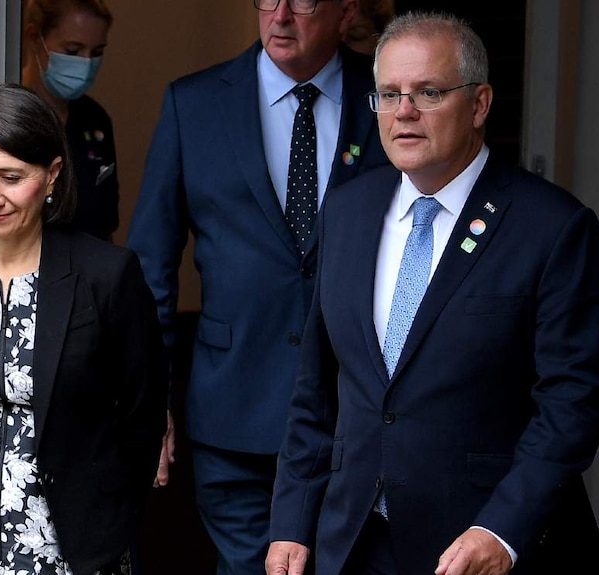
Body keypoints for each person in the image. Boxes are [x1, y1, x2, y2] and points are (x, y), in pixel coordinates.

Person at [266, 11, 599, 575]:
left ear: (479, 104)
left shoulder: (552, 228)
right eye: (389, 94)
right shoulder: (348, 211)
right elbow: (317, 387)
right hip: (352, 540)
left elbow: (571, 406)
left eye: (428, 92)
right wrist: (291, 520)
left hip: (477, 544)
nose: (404, 112)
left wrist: (502, 530)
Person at [126, 0, 389, 573]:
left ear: (345, 12)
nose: (281, 16)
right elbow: (152, 266)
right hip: (234, 406)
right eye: (268, 0)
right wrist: (152, 398)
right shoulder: (193, 103)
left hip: (358, 411)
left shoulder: (389, 97)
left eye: (303, 2)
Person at [0, 84, 167, 575]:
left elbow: (140, 419)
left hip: (71, 547)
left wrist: (106, 517)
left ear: (51, 175)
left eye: (11, 177)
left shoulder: (106, 275)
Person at [21, 0, 119, 241]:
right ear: (34, 37)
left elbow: (104, 222)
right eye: (73, 51)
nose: (86, 64)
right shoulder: (9, 112)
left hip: (88, 272)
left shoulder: (94, 119)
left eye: (96, 53)